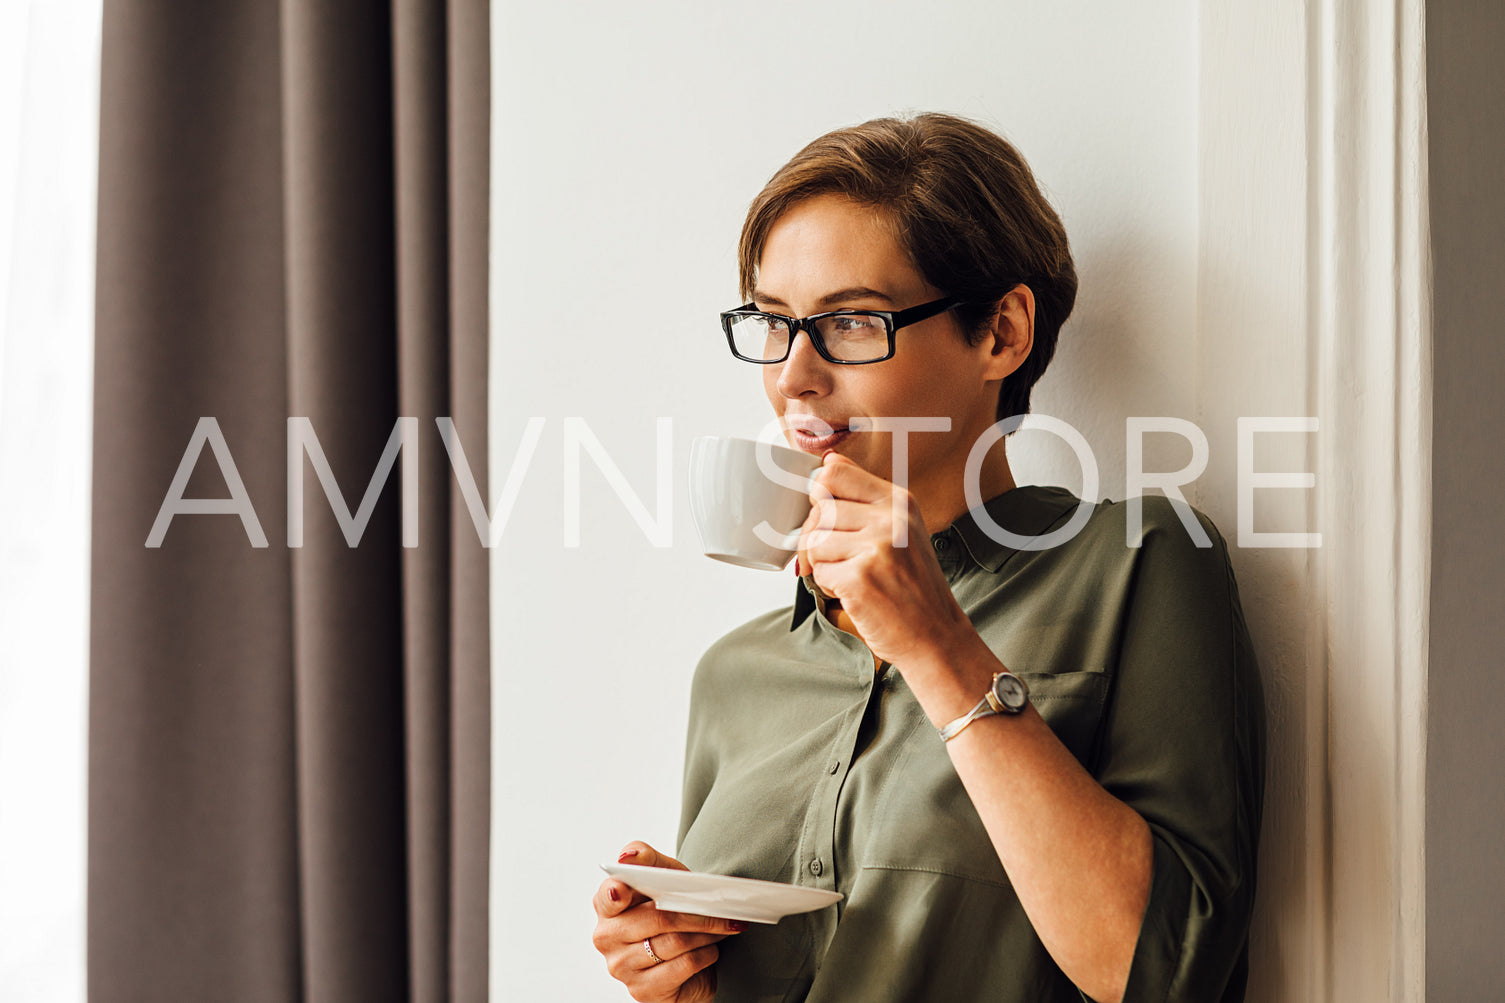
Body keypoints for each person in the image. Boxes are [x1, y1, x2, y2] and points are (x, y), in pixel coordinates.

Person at [591, 112, 1265, 1003]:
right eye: (774, 321)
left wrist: (937, 644)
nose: (793, 373)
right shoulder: (735, 674)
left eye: (852, 322)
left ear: (1001, 334)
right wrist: (676, 978)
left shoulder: (1139, 562)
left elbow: (1166, 974)